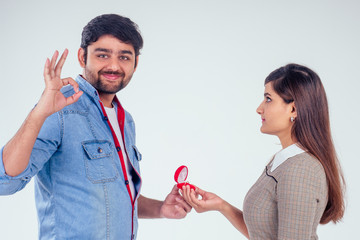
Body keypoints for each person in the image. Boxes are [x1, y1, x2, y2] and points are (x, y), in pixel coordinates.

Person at [0, 14, 191, 239]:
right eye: (102, 55)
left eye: (124, 57)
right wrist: (39, 113)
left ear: (136, 63)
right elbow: (5, 183)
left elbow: (113, 198)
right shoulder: (58, 109)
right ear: (82, 56)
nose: (113, 66)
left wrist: (161, 209)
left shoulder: (126, 120)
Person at [182, 64, 345, 240]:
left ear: (294, 109)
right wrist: (222, 206)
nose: (259, 109)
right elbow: (263, 235)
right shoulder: (282, 161)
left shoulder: (301, 170)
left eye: (268, 99)